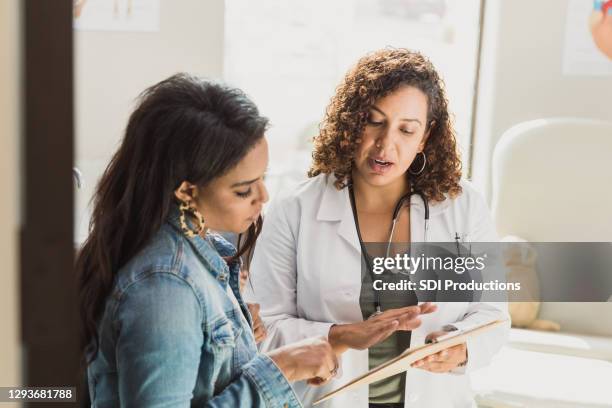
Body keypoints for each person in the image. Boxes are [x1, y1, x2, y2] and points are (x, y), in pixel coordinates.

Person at [245, 49, 510, 408]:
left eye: (406, 129)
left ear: (426, 136)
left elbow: (493, 314)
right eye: (374, 121)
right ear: (352, 122)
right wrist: (341, 336)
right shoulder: (295, 209)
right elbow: (262, 329)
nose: (386, 144)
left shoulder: (463, 206)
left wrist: (461, 348)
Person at [76, 73, 338, 407]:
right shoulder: (165, 285)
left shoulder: (194, 249)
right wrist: (280, 369)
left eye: (262, 178)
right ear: (186, 190)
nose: (263, 196)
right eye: (243, 190)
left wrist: (239, 343)